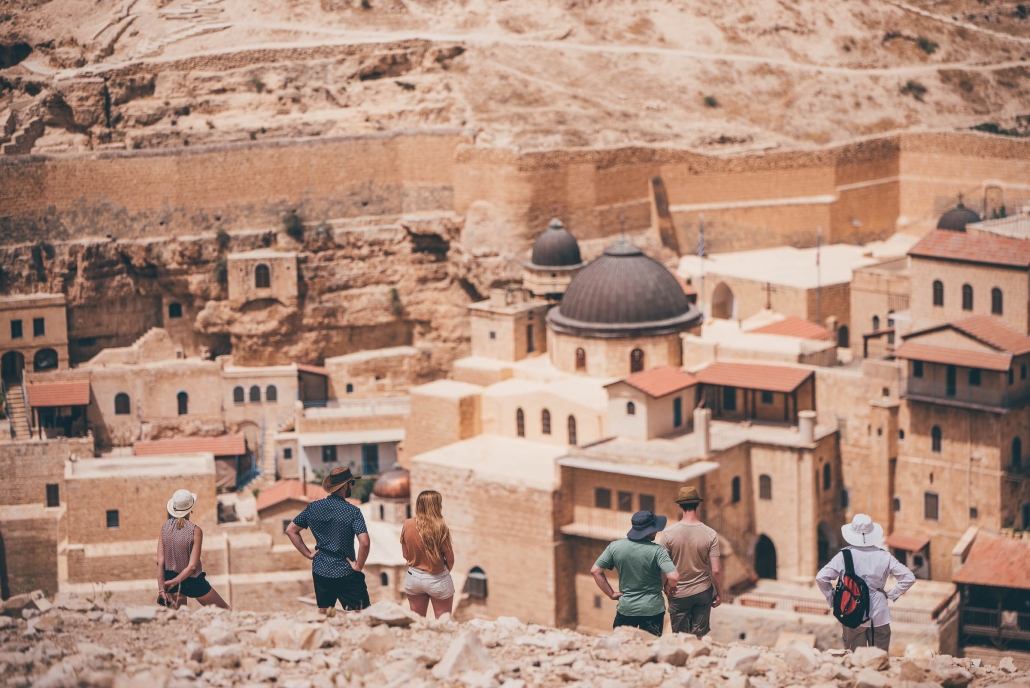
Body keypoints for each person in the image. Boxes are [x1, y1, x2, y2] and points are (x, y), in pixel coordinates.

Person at [815, 514, 916, 652]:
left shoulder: (844, 556)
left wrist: (833, 598)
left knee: (855, 655)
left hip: (852, 612)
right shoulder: (885, 556)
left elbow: (821, 577)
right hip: (879, 614)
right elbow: (909, 577)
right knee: (879, 656)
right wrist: (890, 594)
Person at [286, 467, 371, 615]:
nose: (352, 486)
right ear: (345, 486)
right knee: (363, 613)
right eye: (352, 483)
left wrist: (308, 554)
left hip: (321, 570)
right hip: (346, 571)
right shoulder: (353, 511)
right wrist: (358, 566)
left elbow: (291, 530)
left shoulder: (313, 508)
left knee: (325, 613)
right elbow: (365, 542)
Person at [591, 510, 680, 636]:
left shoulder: (615, 546)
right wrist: (670, 587)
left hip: (626, 608)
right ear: (649, 531)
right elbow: (674, 577)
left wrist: (611, 594)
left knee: (622, 643)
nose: (656, 532)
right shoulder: (658, 551)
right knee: (650, 645)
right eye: (655, 529)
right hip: (652, 610)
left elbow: (595, 571)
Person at [659, 486, 723, 637]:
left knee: (680, 637)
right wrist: (720, 594)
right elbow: (716, 570)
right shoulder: (711, 534)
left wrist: (666, 586)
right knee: (698, 636)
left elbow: (661, 566)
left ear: (680, 505)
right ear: (698, 504)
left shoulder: (668, 534)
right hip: (703, 590)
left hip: (678, 592)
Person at [156, 489, 230, 609]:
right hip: (193, 582)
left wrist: (161, 588)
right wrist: (176, 581)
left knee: (179, 616)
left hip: (170, 580)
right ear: (191, 509)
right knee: (225, 611)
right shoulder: (195, 531)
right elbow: (192, 567)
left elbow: (160, 562)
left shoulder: (164, 528)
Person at [400, 490, 456, 618]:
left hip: (413, 578)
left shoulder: (407, 524)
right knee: (443, 623)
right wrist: (445, 572)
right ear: (436, 506)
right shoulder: (440, 527)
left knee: (417, 621)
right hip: (437, 579)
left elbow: (406, 555)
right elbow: (450, 559)